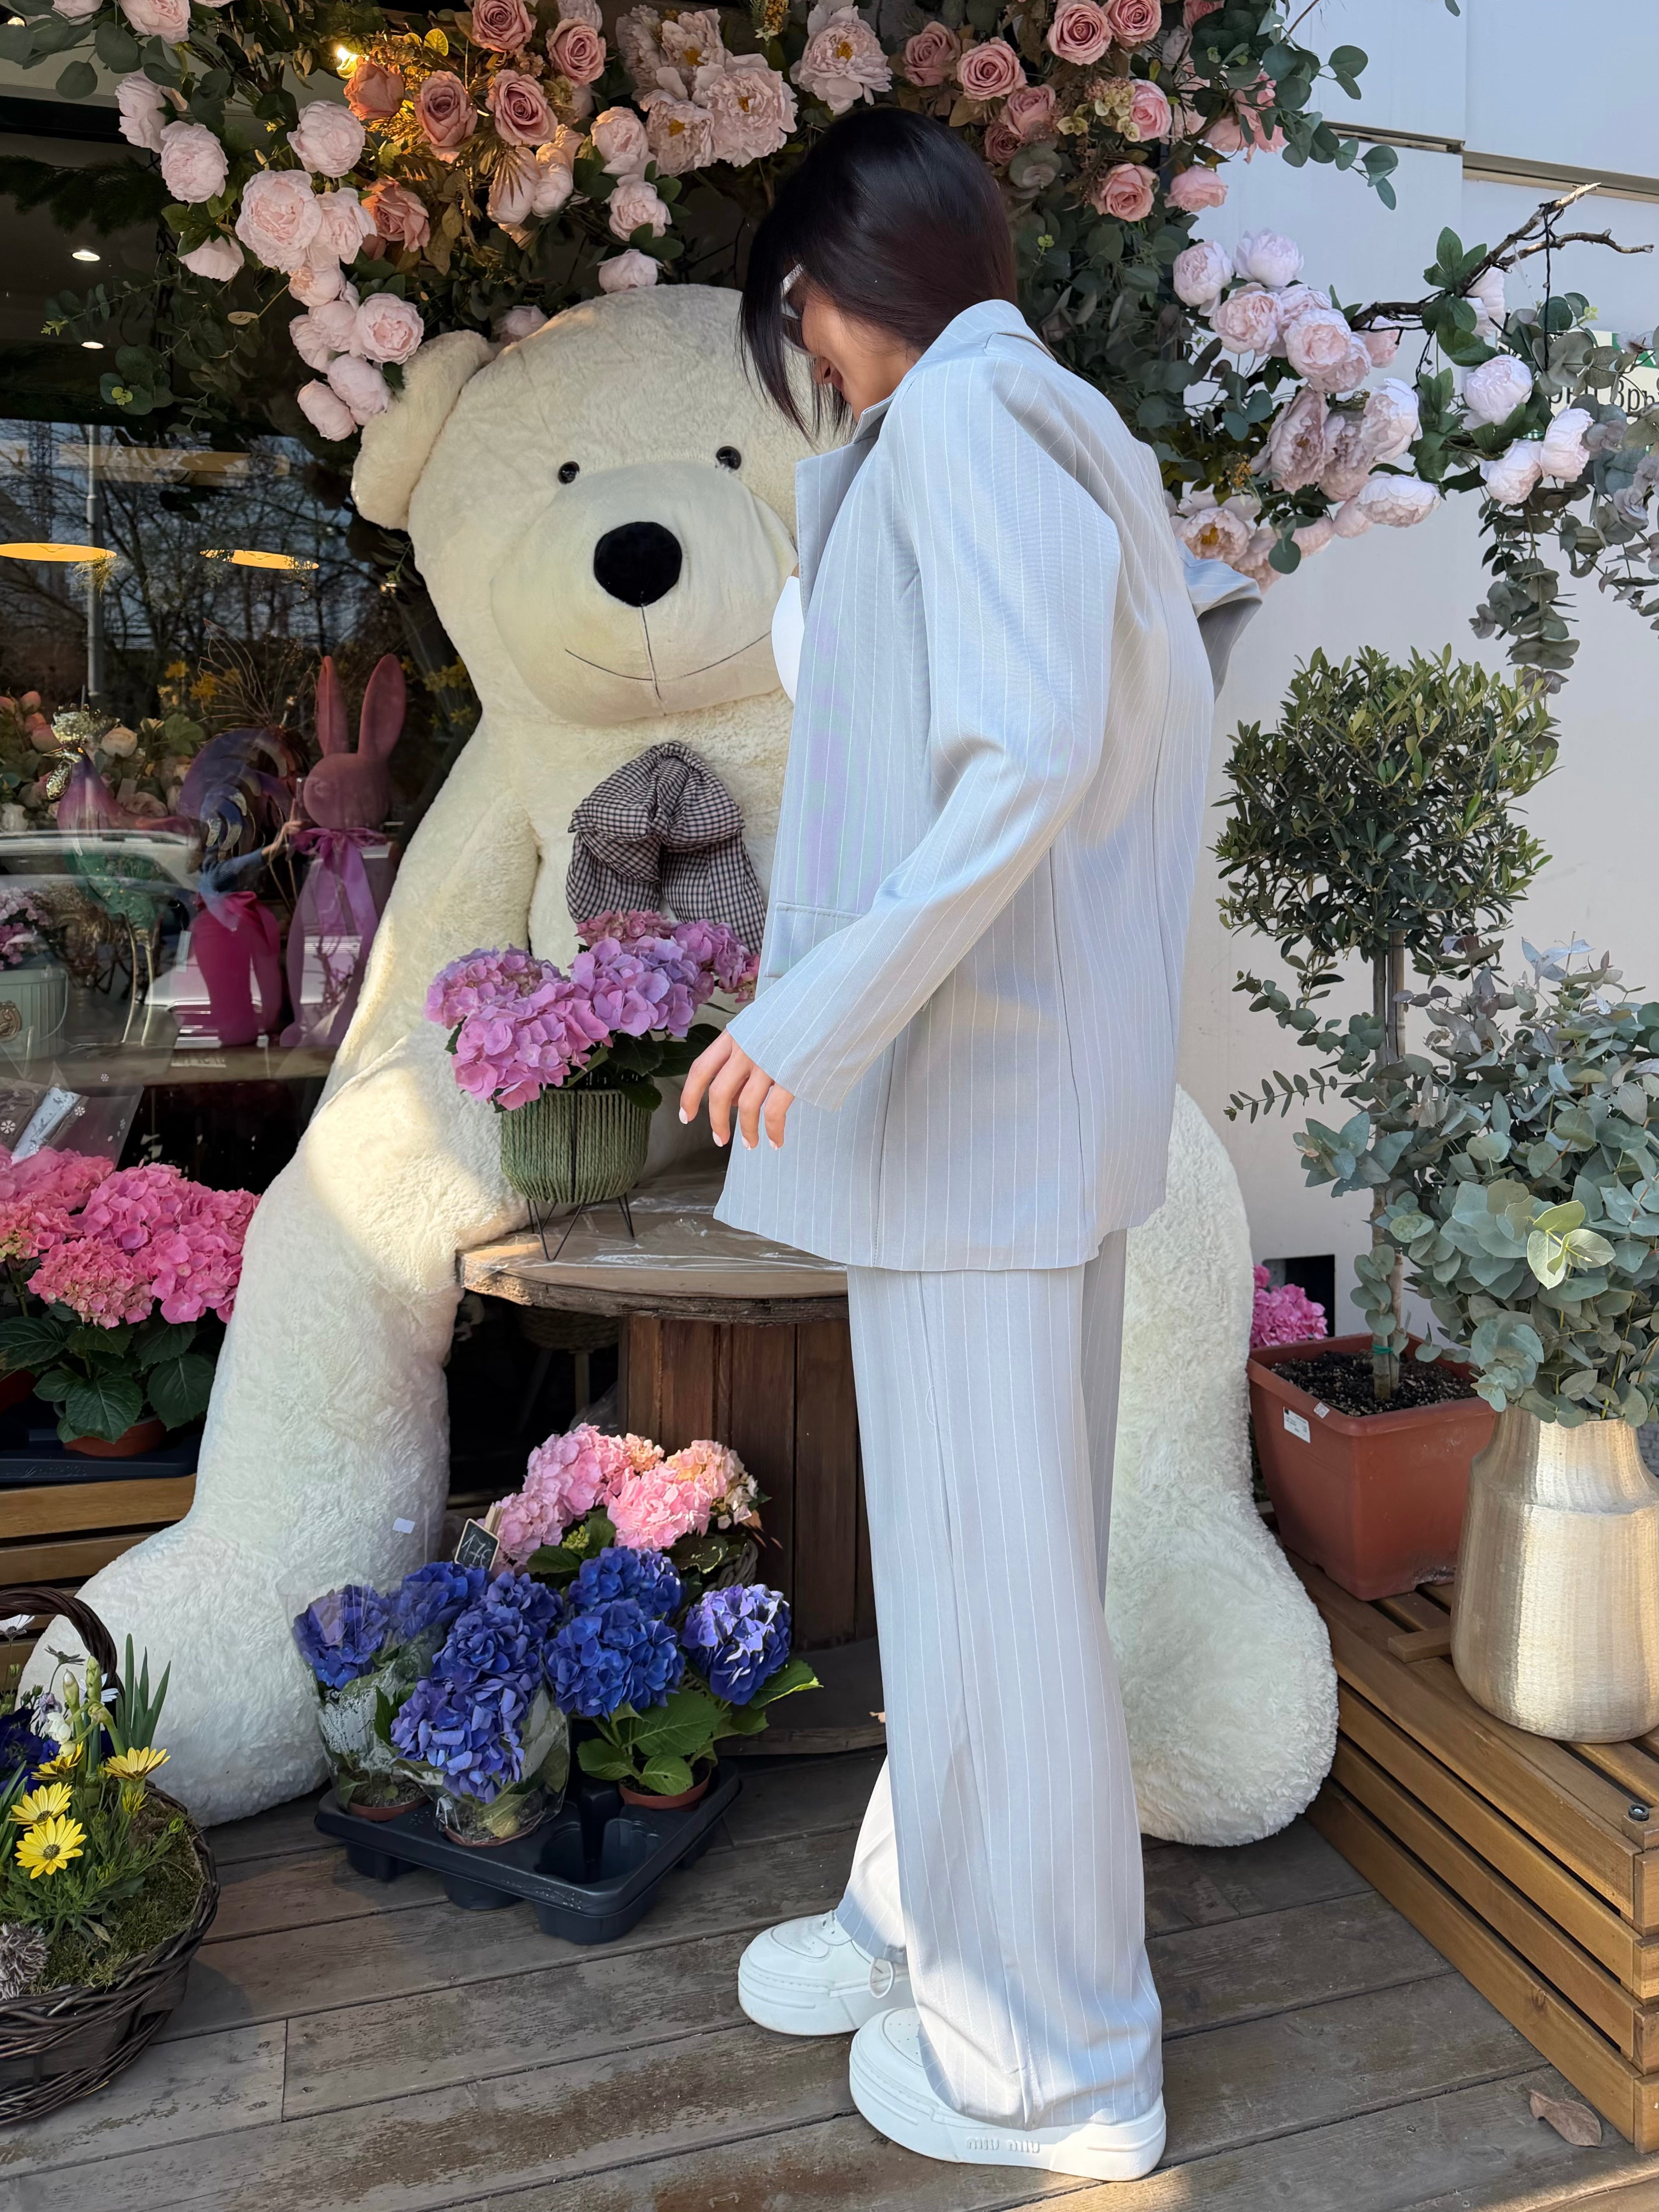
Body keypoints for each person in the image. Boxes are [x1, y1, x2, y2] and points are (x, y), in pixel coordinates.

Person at [678, 106, 1224, 2184]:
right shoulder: (1049, 424)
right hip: (1008, 1109)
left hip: (975, 1108)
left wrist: (810, 1005)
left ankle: (1054, 2054)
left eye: (796, 315)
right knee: (980, 1568)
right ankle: (923, 1912)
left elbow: (1022, 759)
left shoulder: (973, 429)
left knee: (994, 1586)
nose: (806, 354)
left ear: (826, 290)